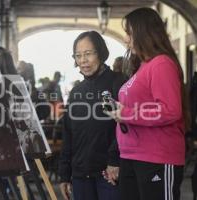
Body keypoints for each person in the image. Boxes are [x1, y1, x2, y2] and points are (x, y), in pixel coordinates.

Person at [104, 7, 191, 200]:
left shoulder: (161, 64)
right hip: (132, 156)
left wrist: (125, 113)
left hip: (156, 157)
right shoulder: (143, 66)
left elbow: (169, 110)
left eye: (129, 33)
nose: (126, 39)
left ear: (144, 32)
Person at [58, 31, 124, 200]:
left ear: (101, 53)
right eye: (78, 56)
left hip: (109, 173)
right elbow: (68, 134)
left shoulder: (119, 83)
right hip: (80, 176)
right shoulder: (76, 92)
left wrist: (114, 161)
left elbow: (126, 127)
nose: (83, 61)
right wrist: (65, 174)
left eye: (88, 54)